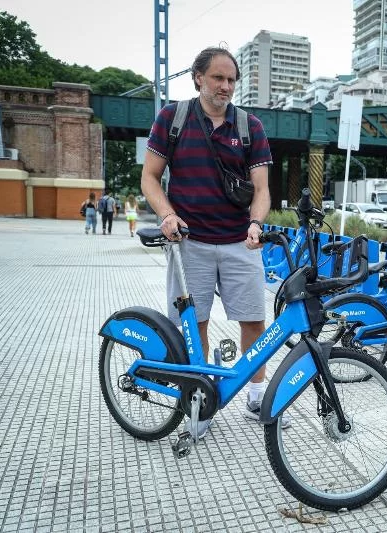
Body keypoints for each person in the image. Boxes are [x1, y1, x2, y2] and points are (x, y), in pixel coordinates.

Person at [141, 46, 285, 438]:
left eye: (232, 80)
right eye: (218, 78)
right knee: (196, 323)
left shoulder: (249, 126)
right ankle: (200, 399)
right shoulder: (173, 118)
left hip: (240, 240)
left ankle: (256, 394)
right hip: (190, 242)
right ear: (198, 78)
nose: (225, 86)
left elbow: (262, 188)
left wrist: (257, 223)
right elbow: (150, 177)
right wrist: (167, 215)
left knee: (254, 318)